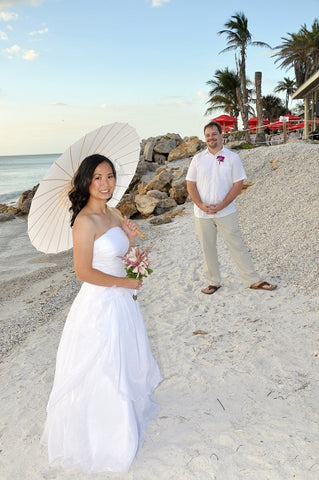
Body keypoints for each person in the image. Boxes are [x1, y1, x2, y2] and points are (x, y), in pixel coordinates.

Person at [41, 154, 162, 473]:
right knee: (105, 368)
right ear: (86, 182)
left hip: (122, 301)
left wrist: (132, 241)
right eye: (98, 178)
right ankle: (108, 439)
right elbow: (83, 272)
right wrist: (126, 281)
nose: (106, 183)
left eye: (110, 177)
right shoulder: (83, 221)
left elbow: (120, 256)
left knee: (123, 362)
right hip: (99, 305)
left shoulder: (113, 212)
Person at [186, 121, 276, 295]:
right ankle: (213, 282)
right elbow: (191, 185)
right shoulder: (197, 159)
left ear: (221, 135)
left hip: (226, 211)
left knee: (237, 244)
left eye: (214, 134)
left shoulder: (233, 158)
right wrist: (200, 205)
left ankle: (252, 279)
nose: (211, 137)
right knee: (208, 248)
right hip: (202, 214)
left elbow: (238, 184)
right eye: (207, 135)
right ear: (205, 138)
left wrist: (221, 205)